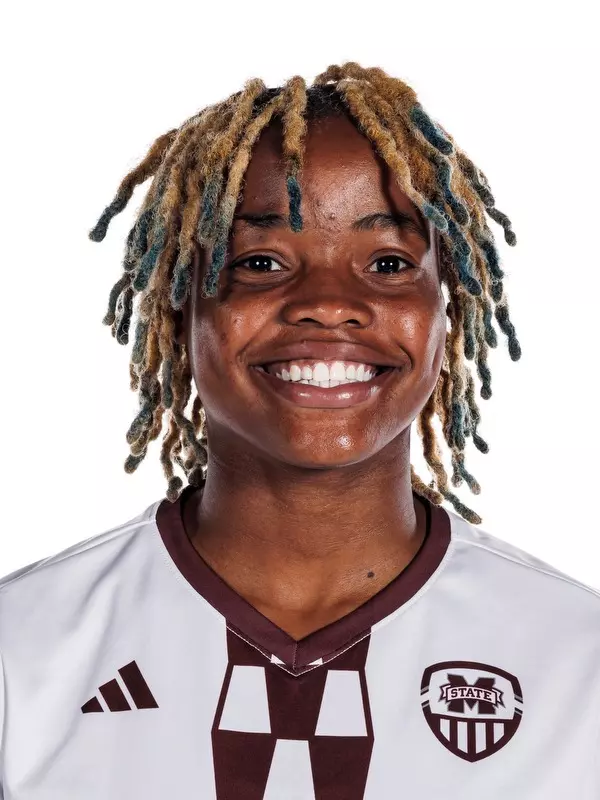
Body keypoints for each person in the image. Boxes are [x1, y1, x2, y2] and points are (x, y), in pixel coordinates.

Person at [0, 62, 597, 799]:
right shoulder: (23, 646)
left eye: (388, 262)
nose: (327, 303)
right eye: (260, 262)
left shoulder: (577, 656)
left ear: (447, 312)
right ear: (179, 307)